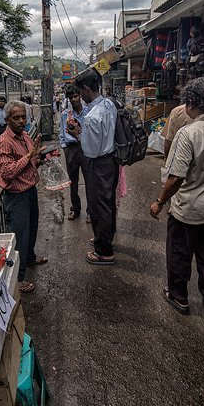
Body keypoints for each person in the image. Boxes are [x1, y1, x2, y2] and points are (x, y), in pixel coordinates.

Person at [150, 77, 204, 315]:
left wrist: (159, 201)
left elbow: (175, 177)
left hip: (188, 209)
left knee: (179, 253)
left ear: (191, 104)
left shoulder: (189, 133)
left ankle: (179, 297)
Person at [0, 100, 48, 293]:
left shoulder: (24, 136)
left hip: (30, 191)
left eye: (23, 117)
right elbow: (7, 172)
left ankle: (30, 258)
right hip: (17, 197)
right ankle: (18, 277)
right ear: (7, 120)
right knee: (19, 238)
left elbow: (29, 161)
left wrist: (38, 159)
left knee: (32, 229)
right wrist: (29, 157)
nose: (21, 121)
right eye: (16, 118)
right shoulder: (4, 142)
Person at [74, 69, 119, 265]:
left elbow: (89, 150)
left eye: (80, 92)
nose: (80, 97)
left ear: (85, 89)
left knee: (98, 206)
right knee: (108, 203)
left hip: (98, 164)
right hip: (111, 160)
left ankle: (104, 252)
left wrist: (78, 133)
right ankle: (105, 239)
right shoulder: (110, 104)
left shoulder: (92, 117)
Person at [59, 83, 90, 223]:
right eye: (71, 97)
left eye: (76, 96)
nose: (73, 100)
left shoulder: (89, 112)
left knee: (90, 181)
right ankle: (75, 209)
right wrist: (65, 149)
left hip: (85, 148)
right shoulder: (65, 115)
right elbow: (61, 134)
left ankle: (90, 211)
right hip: (71, 149)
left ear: (80, 96)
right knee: (73, 182)